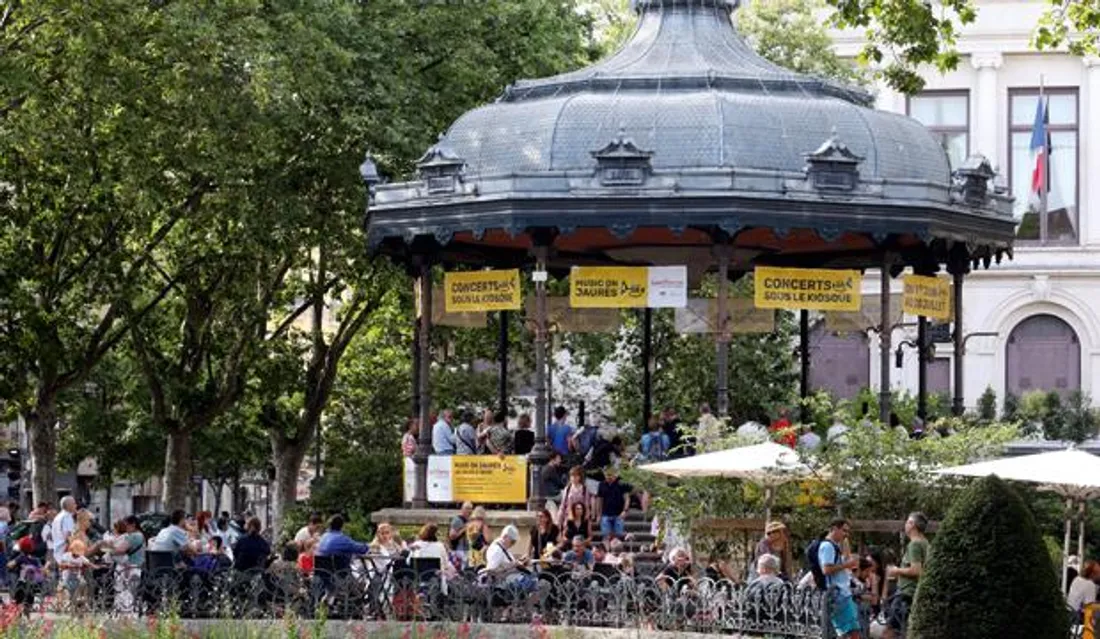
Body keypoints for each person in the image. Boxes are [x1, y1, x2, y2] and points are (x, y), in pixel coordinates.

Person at [884, 512, 930, 638]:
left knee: (889, 631)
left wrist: (896, 570)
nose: (905, 525)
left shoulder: (915, 544)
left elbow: (916, 570)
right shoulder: (925, 542)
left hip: (906, 594)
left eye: (907, 522)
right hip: (912, 593)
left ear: (912, 525)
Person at [819, 518, 861, 639]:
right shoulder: (827, 546)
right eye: (844, 531)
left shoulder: (834, 545)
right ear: (834, 529)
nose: (846, 534)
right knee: (852, 632)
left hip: (842, 593)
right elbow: (826, 569)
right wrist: (846, 565)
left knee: (850, 631)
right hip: (838, 595)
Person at [484, 525, 537, 592]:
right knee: (537, 584)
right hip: (505, 582)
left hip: (512, 577)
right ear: (505, 537)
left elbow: (507, 561)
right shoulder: (497, 550)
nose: (513, 544)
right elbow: (491, 571)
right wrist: (512, 565)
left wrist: (518, 562)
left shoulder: (503, 546)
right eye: (512, 542)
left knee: (536, 580)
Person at [596, 467, 631, 539]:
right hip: (605, 514)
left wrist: (625, 510)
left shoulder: (621, 483)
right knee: (606, 536)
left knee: (618, 536)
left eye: (610, 475)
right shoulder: (601, 484)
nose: (609, 477)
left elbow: (627, 498)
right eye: (607, 475)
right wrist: (598, 514)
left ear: (615, 474)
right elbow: (599, 500)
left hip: (619, 514)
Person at [557, 466, 591, 531]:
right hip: (569, 516)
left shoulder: (584, 489)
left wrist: (586, 518)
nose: (573, 478)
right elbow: (563, 504)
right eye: (572, 476)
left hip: (580, 517)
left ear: (579, 477)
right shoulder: (567, 489)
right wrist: (559, 518)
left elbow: (586, 504)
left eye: (575, 476)